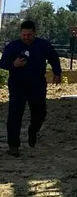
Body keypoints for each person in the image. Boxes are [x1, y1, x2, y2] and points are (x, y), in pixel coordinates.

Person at [0, 20, 61, 156]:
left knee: (40, 112)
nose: (26, 37)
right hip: (17, 85)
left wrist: (57, 73)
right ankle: (13, 146)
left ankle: (33, 131)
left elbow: (54, 58)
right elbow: (3, 63)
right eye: (24, 35)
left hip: (37, 84)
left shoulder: (43, 45)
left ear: (34, 33)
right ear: (20, 34)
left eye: (29, 35)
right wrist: (13, 64)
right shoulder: (13, 46)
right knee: (15, 115)